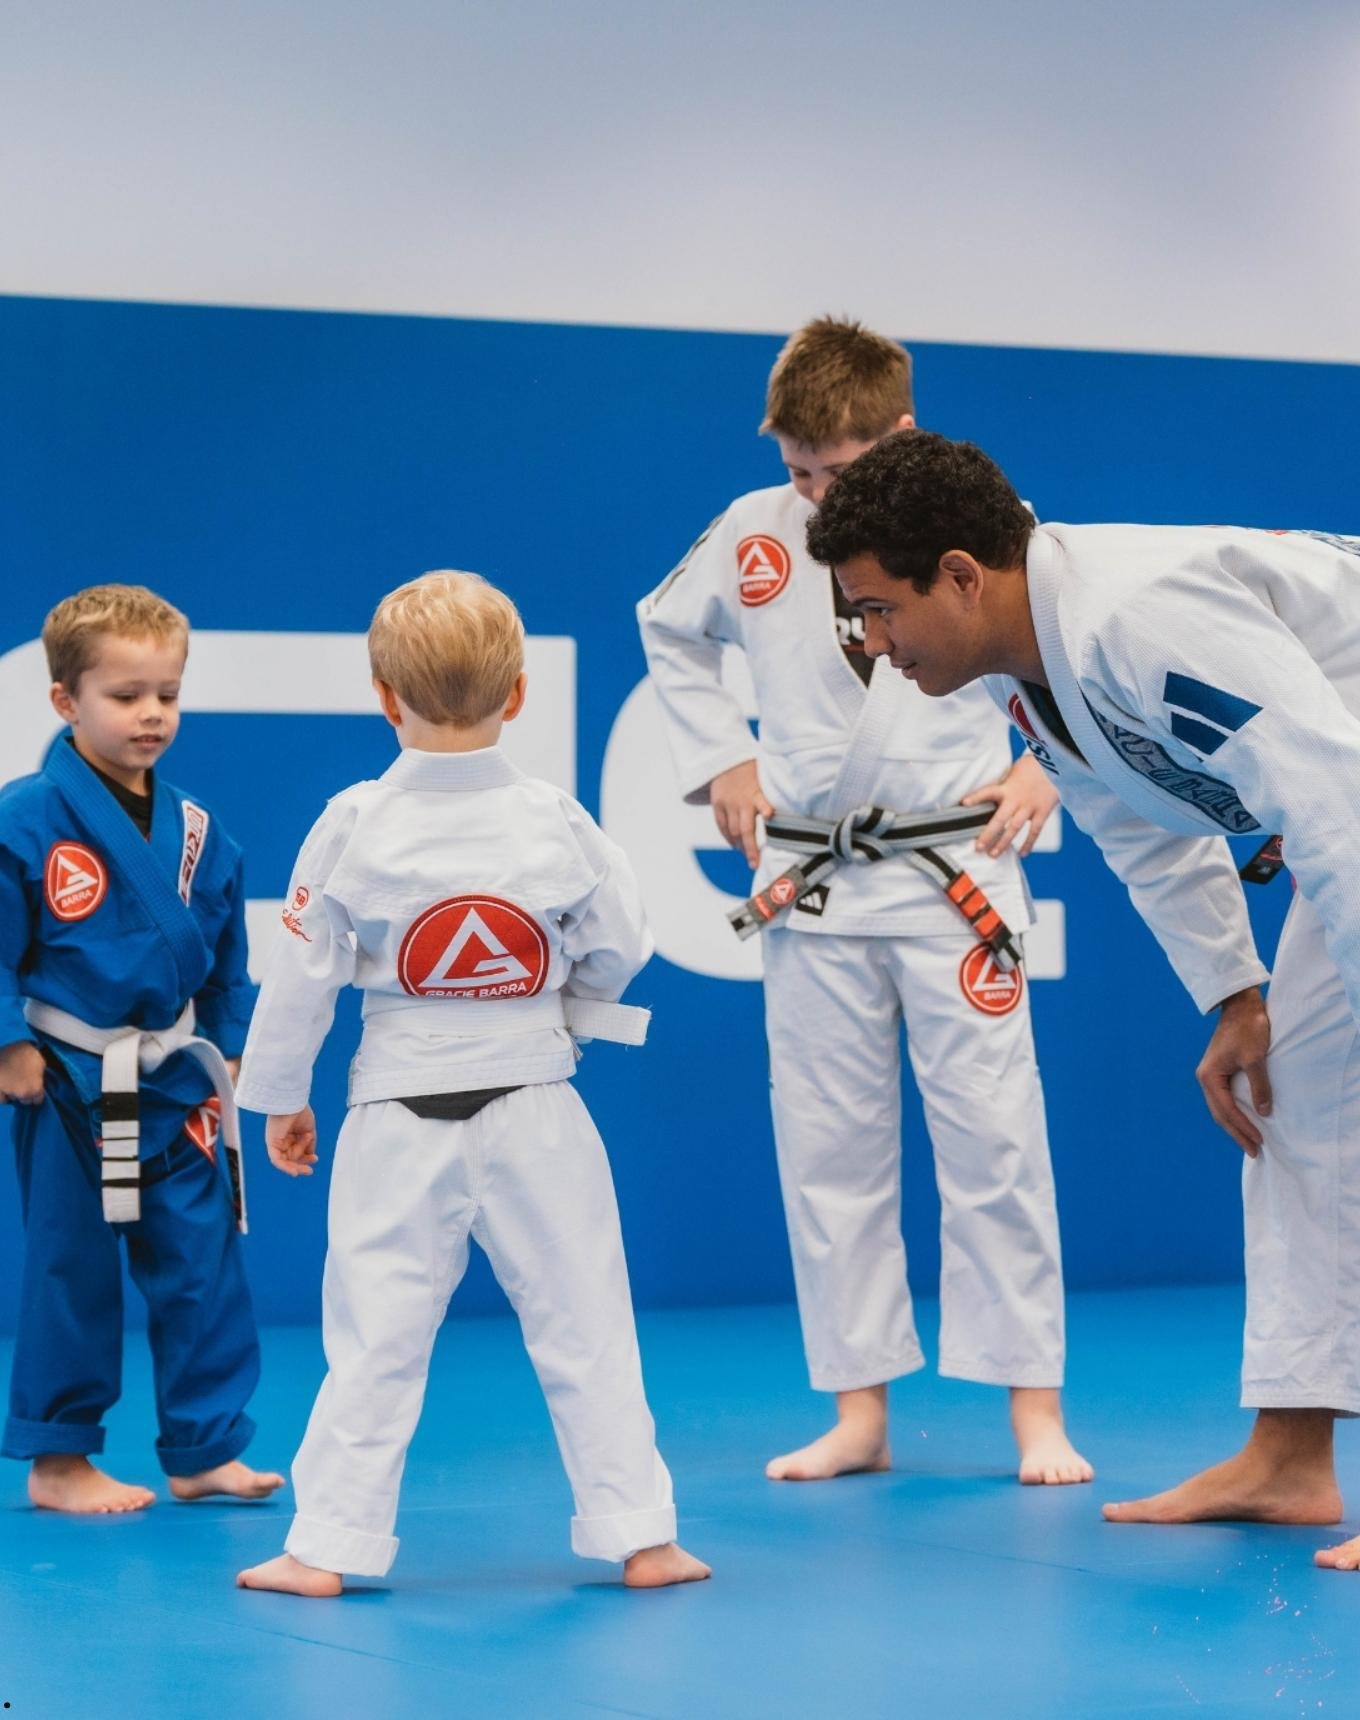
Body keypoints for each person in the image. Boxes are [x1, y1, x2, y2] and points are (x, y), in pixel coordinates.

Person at [805, 427, 1360, 1570]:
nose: (870, 644)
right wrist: (1236, 993)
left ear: (960, 574)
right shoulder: (1040, 677)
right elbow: (1150, 833)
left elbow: (1333, 803)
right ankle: (1292, 1457)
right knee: (1292, 1084)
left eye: (877, 610)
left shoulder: (1133, 623)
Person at [638, 318, 1092, 1486]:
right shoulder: (752, 533)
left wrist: (1049, 761)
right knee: (828, 1145)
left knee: (995, 1139)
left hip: (956, 872)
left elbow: (1073, 652)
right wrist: (720, 761)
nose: (809, 491)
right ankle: (858, 1407)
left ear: (900, 433)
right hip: (816, 878)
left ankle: (1032, 1408)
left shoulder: (991, 522)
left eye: (832, 470)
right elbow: (665, 627)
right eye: (796, 468)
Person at [234, 570, 709, 1596]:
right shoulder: (556, 820)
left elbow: (303, 969)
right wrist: (569, 1007)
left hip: (396, 1106)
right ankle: (643, 1536)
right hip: (535, 1094)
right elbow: (622, 940)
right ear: (520, 693)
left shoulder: (353, 821)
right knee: (586, 1317)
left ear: (383, 694)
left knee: (374, 1334)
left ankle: (327, 1546)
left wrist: (279, 1094)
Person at [0, 584, 283, 1512]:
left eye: (166, 692)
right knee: (70, 1271)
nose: (152, 713)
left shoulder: (198, 828)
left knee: (201, 1265)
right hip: (71, 1077)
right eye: (126, 696)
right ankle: (59, 1460)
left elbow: (226, 956)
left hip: (172, 1081)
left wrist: (232, 1045)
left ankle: (203, 1447)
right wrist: (10, 1044)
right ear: (64, 702)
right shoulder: (26, 818)